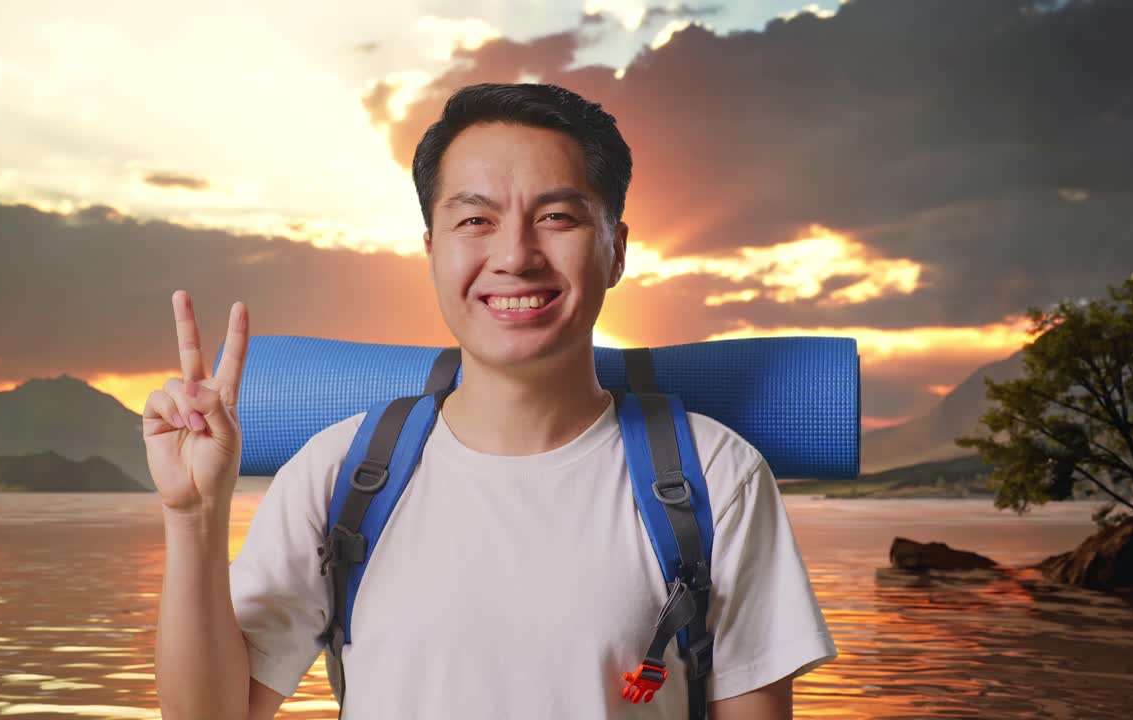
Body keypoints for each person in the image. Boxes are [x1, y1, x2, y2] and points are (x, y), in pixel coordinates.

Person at [147, 82, 838, 720]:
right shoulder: (339, 476)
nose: (515, 255)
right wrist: (197, 517)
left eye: (558, 216)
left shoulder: (718, 479)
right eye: (474, 221)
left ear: (616, 251)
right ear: (432, 251)